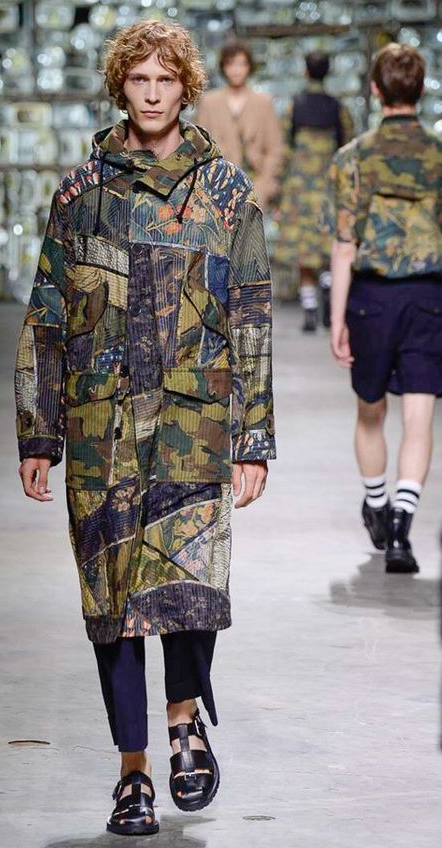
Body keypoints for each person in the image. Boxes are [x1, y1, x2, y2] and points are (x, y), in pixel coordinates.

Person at [14, 20, 275, 836]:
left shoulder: (225, 192)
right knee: (111, 599)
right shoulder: (80, 194)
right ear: (119, 87)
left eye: (166, 80)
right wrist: (37, 432)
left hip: (195, 418)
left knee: (192, 585)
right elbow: (46, 316)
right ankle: (133, 772)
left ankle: (183, 721)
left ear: (186, 88)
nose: (153, 94)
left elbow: (251, 315)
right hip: (101, 423)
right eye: (139, 80)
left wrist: (254, 437)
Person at [325, 43, 441, 574]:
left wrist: (337, 318)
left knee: (369, 409)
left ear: (375, 89)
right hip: (429, 296)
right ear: (421, 89)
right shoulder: (438, 157)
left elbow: (344, 244)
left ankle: (376, 503)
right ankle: (400, 528)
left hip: (371, 298)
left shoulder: (353, 158)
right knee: (420, 415)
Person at [276, 51, 353, 332]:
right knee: (328, 249)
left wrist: (277, 193)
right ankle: (329, 292)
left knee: (302, 253)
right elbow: (347, 148)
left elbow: (283, 150)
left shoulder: (294, 105)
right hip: (327, 190)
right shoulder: (337, 107)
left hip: (298, 191)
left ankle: (309, 310)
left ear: (305, 71)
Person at [196, 40, 282, 211]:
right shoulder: (209, 103)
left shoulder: (263, 102)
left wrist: (267, 181)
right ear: (223, 67)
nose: (236, 70)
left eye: (242, 64)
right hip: (218, 185)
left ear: (249, 67)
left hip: (256, 183)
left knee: (252, 227)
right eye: (231, 64)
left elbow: (275, 147)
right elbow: (199, 147)